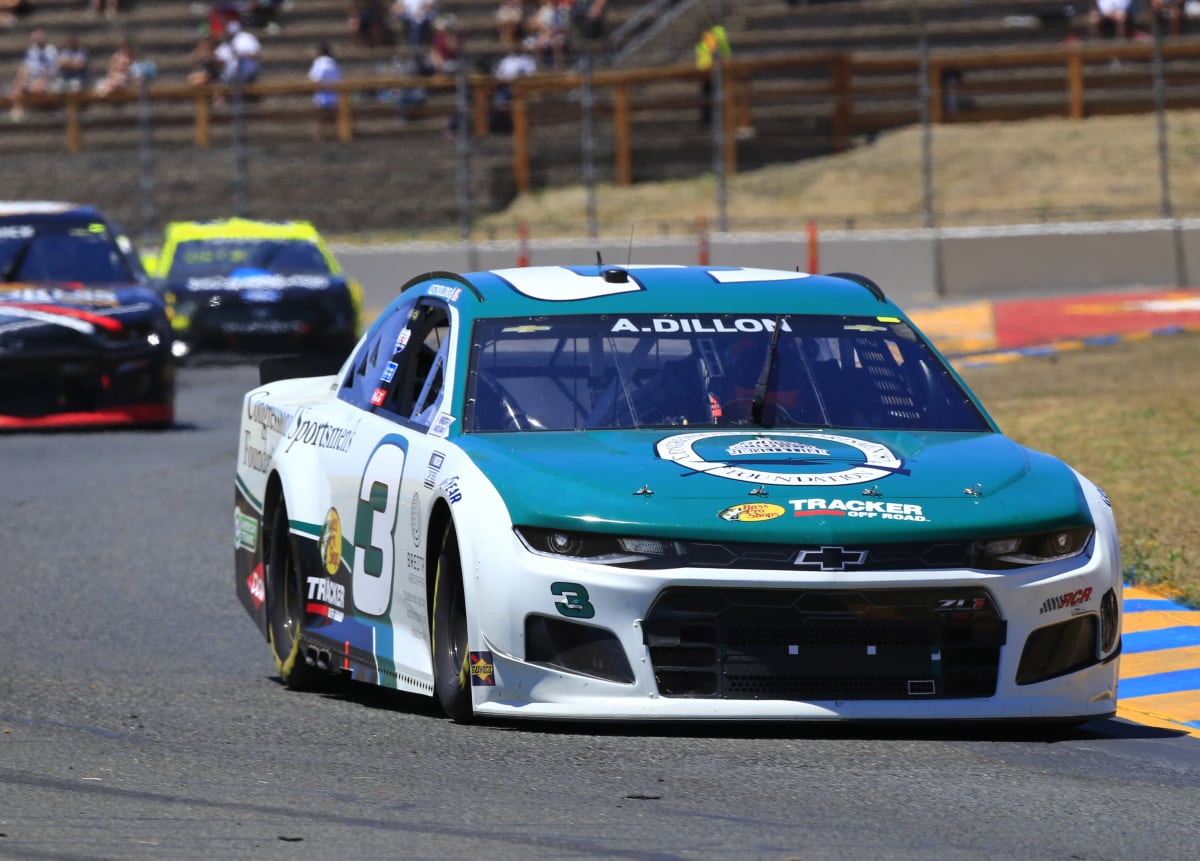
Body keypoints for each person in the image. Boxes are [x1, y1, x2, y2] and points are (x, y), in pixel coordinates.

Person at [8, 29, 58, 121]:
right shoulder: (31, 51)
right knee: (17, 87)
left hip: (47, 79)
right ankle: (17, 114)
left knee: (38, 88)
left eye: (39, 37)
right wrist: (21, 79)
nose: (37, 40)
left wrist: (42, 80)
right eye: (35, 38)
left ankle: (49, 113)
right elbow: (25, 66)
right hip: (32, 79)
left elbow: (52, 70)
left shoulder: (51, 50)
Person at [694, 22, 731, 127]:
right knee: (710, 96)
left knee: (714, 95)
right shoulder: (716, 33)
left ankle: (713, 120)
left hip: (711, 70)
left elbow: (723, 51)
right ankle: (711, 120)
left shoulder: (715, 34)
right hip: (708, 71)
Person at [308, 42, 342, 141]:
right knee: (334, 117)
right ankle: (336, 133)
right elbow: (339, 77)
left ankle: (320, 135)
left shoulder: (319, 62)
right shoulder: (333, 62)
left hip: (322, 94)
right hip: (334, 94)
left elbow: (315, 78)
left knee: (321, 118)